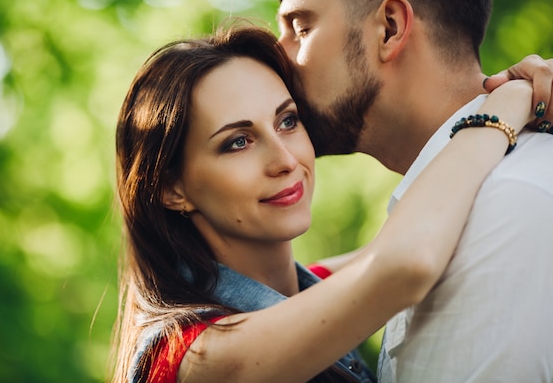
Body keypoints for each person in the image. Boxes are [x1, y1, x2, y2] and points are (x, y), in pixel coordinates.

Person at [108, 24, 546, 383]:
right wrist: (502, 107)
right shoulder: (193, 359)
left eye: (288, 120)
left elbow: (417, 238)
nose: (285, 160)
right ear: (171, 189)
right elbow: (402, 263)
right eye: (238, 142)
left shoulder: (303, 287)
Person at [276, 0, 553, 381]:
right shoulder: (449, 209)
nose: (278, 56)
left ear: (389, 28)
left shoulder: (509, 206)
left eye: (300, 28)